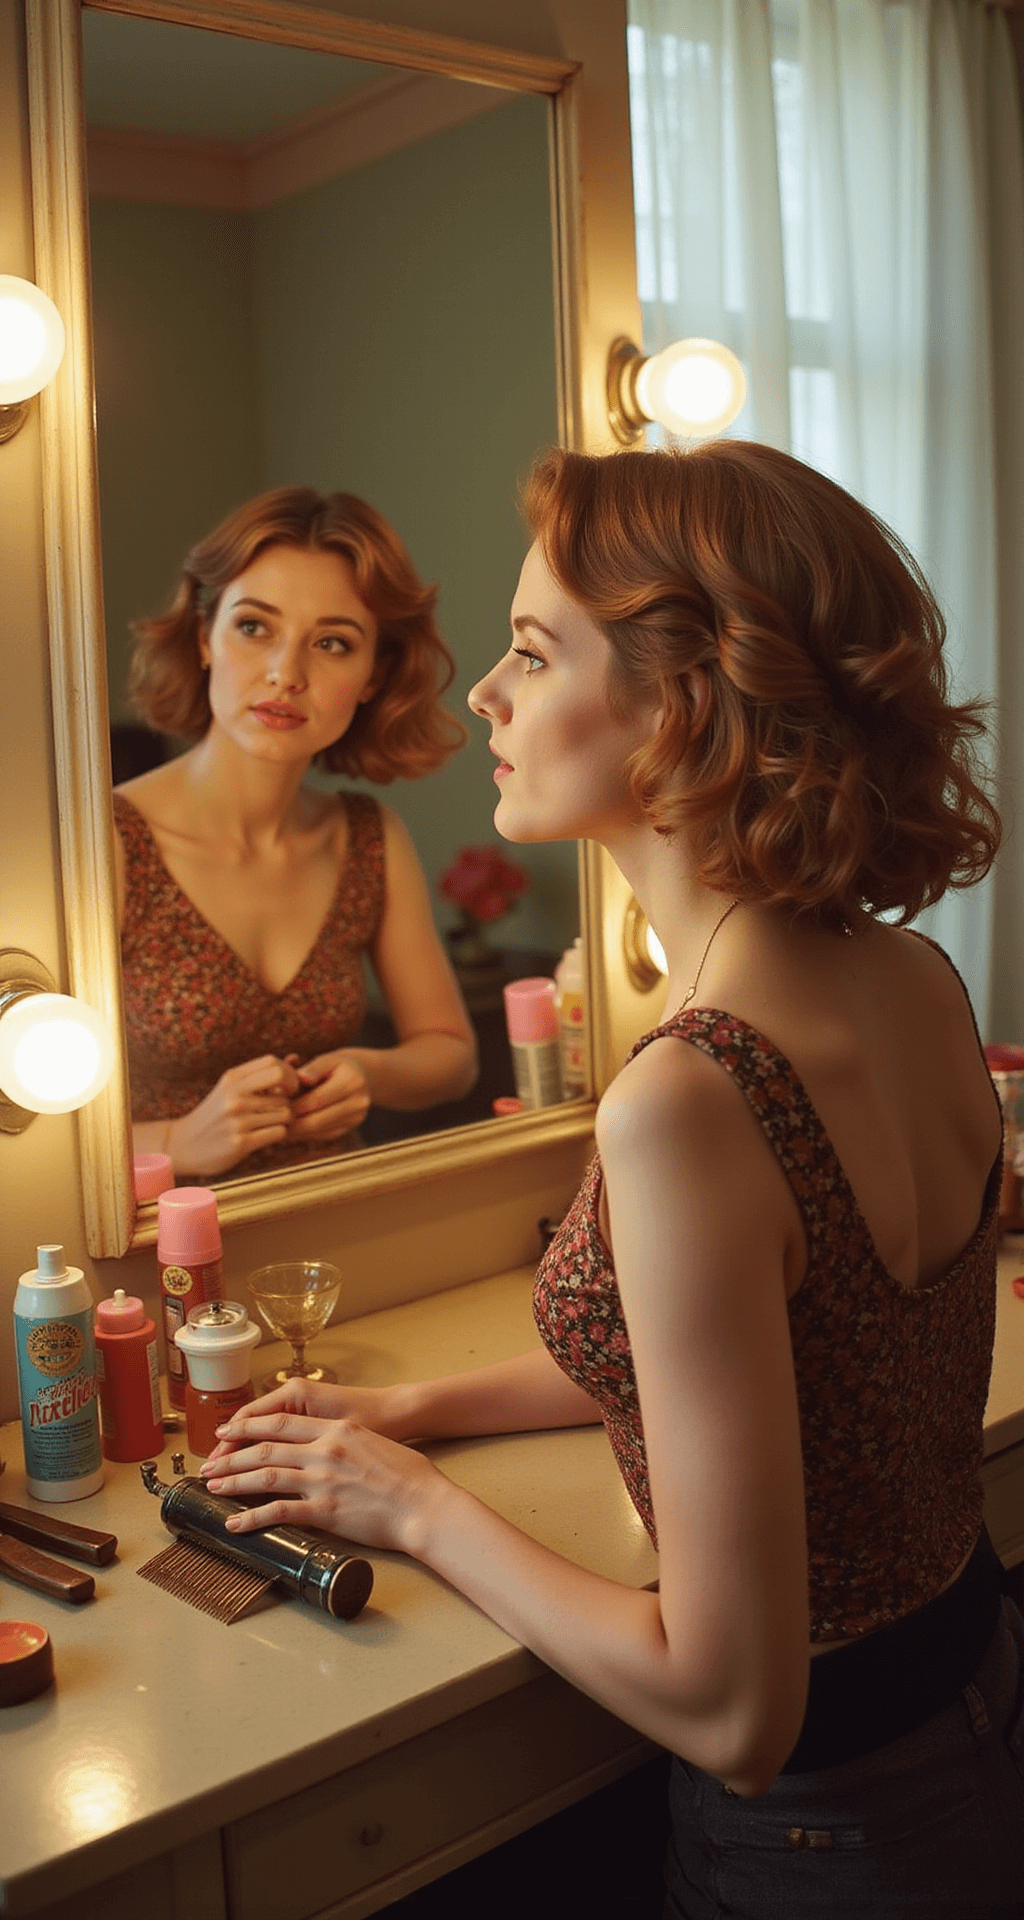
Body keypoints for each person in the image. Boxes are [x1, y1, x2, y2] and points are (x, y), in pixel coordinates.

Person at [200, 444, 1023, 1914]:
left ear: (681, 703)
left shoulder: (690, 1097)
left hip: (825, 1837)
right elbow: (755, 1359)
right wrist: (410, 1409)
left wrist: (413, 1509)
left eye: (530, 653)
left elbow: (734, 1711)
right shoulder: (911, 976)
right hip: (972, 1698)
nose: (482, 698)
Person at [115, 485, 477, 1178]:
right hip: (157, 1258)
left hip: (331, 1221)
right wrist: (175, 1142)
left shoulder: (368, 839)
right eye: (255, 627)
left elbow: (451, 1055)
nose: (286, 674)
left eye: (333, 643)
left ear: (374, 675)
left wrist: (370, 1074)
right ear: (203, 637)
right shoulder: (109, 846)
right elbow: (26, 1123)